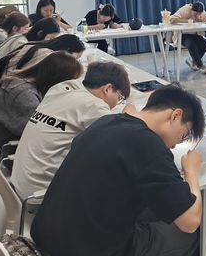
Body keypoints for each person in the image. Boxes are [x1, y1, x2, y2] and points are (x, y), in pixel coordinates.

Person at [31, 84, 206, 256]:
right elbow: (190, 222)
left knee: (162, 212)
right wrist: (191, 171)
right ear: (175, 115)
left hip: (50, 239)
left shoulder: (106, 122)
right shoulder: (148, 145)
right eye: (183, 135)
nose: (176, 144)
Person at [11, 62, 132, 199]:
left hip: (20, 184)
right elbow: (123, 142)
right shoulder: (93, 105)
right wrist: (129, 116)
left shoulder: (59, 90)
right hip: (42, 194)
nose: (116, 104)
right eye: (119, 98)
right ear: (108, 89)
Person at [0, 52, 83, 149]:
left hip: (6, 141)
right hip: (9, 148)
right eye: (70, 81)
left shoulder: (20, 83)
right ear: (59, 78)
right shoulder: (23, 94)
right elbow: (41, 133)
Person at [0, 18, 61, 85]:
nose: (51, 42)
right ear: (40, 34)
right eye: (51, 38)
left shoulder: (21, 38)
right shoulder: (22, 44)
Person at [0, 34, 85, 85]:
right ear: (67, 50)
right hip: (11, 88)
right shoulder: (46, 55)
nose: (75, 62)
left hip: (3, 84)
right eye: (77, 58)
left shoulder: (35, 46)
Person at [170, 2, 206, 74]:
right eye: (195, 14)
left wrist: (201, 21)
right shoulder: (185, 9)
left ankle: (193, 61)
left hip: (195, 34)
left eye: (199, 14)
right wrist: (188, 21)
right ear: (191, 10)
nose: (197, 15)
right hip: (183, 34)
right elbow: (171, 19)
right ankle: (200, 65)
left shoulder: (203, 14)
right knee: (191, 44)